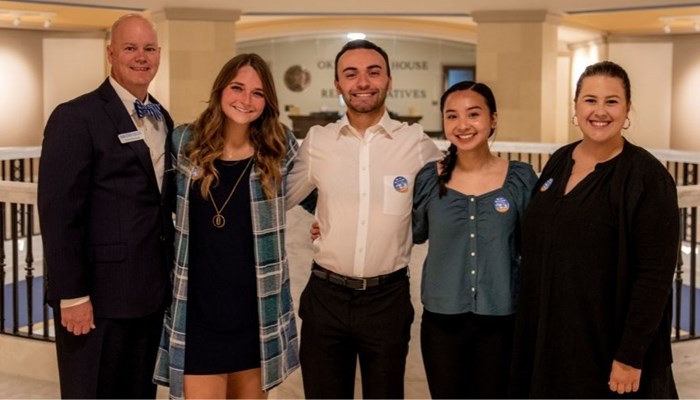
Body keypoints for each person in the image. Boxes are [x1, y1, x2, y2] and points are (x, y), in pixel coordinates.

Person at [509, 60, 680, 398]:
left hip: (607, 349)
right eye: (590, 100)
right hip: (551, 342)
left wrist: (629, 356)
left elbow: (655, 277)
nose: (600, 111)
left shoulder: (647, 178)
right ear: (575, 106)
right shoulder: (560, 160)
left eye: (611, 101)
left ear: (627, 108)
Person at [286, 39, 443, 399]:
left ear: (389, 80)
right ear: (338, 84)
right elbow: (276, 199)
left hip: (387, 300)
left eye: (373, 72)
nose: (363, 82)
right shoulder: (318, 141)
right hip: (325, 297)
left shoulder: (416, 142)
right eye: (351, 74)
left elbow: (455, 186)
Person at [38, 14, 174, 398]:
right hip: (96, 301)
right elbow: (59, 213)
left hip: (149, 296)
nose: (141, 57)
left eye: (149, 48)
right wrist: (72, 295)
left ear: (159, 55)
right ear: (110, 53)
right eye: (130, 48)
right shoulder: (75, 117)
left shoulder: (162, 118)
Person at [153, 53, 300, 399]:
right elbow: (158, 207)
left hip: (256, 312)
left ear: (267, 102)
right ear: (221, 90)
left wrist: (327, 225)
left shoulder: (280, 146)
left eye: (257, 93)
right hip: (198, 312)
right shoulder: (183, 142)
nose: (245, 100)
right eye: (237, 88)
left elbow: (314, 193)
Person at [412, 81, 537, 398]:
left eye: (473, 114)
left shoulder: (520, 178)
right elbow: (410, 231)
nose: (462, 125)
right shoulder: (429, 178)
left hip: (502, 319)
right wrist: (327, 226)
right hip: (442, 322)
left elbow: (537, 245)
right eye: (452, 116)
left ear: (493, 118)